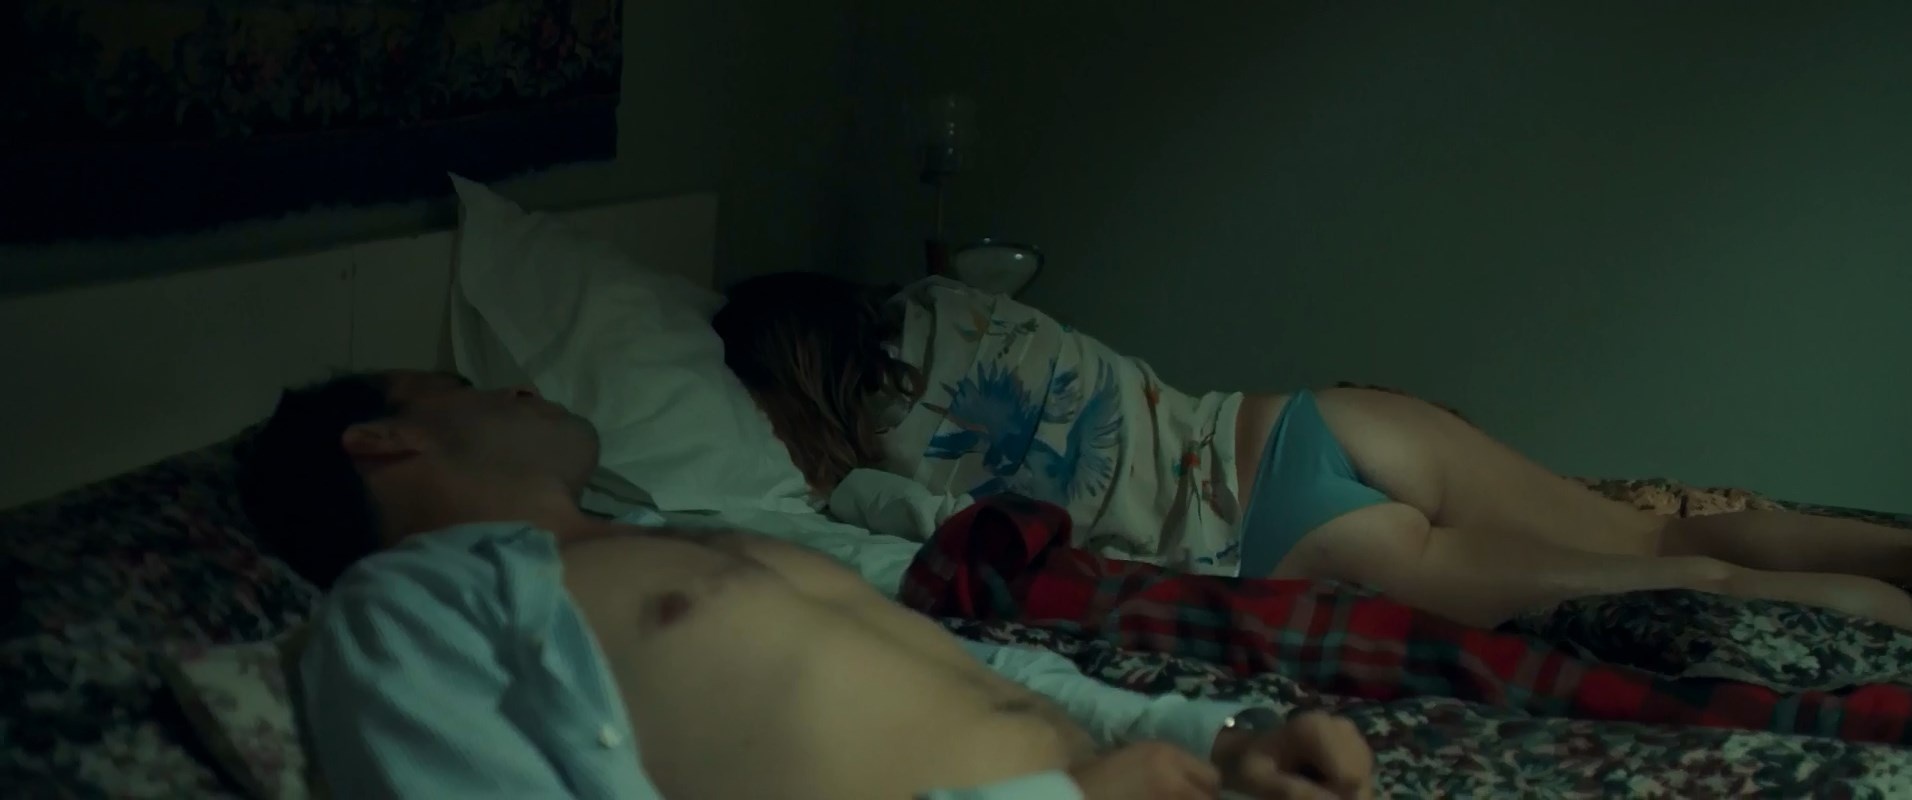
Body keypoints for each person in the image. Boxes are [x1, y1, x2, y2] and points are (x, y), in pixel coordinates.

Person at [238, 370, 1375, 800]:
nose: (519, 385)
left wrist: (1223, 740)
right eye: (463, 382)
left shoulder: (684, 541)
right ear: (382, 439)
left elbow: (976, 677)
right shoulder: (404, 611)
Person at [713, 272, 1912, 632]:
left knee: (1674, 585)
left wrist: (827, 474)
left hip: (1277, 534)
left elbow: (948, 539)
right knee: (1659, 537)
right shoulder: (950, 298)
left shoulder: (868, 465)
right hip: (1307, 419)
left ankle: (1883, 617)